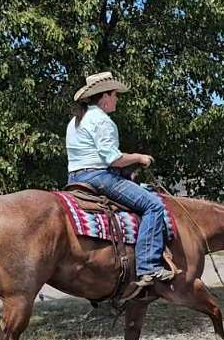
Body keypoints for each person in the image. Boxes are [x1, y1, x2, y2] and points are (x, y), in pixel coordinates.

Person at [66, 72, 175, 287]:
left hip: (75, 177)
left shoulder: (76, 120)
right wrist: (139, 157)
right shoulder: (101, 120)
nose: (117, 99)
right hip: (99, 177)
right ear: (105, 96)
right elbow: (113, 159)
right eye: (115, 95)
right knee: (153, 205)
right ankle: (148, 267)